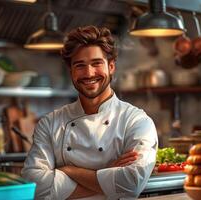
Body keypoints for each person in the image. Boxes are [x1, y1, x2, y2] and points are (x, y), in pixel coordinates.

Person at [21, 25, 158, 200]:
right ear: (70, 70)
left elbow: (131, 183)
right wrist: (107, 177)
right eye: (79, 65)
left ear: (111, 66)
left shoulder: (136, 121)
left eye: (96, 63)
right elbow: (33, 185)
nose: (89, 73)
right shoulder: (50, 123)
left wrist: (69, 171)